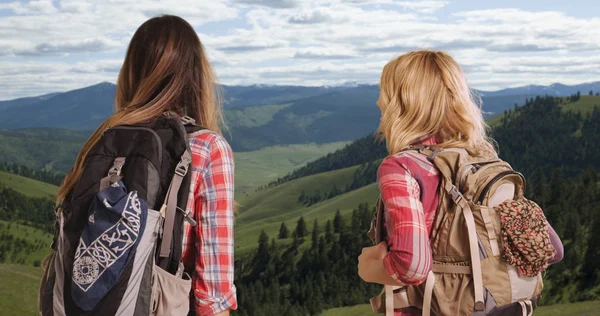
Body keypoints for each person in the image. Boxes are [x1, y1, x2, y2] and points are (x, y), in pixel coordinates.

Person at [53, 15, 237, 315]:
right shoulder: (208, 148)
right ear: (195, 75)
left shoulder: (103, 139)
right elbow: (213, 297)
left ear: (132, 72)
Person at [357, 50, 563, 315]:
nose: (378, 102)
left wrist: (372, 268)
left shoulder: (401, 167)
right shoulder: (482, 160)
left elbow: (413, 266)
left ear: (403, 102)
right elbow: (553, 250)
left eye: (384, 92)